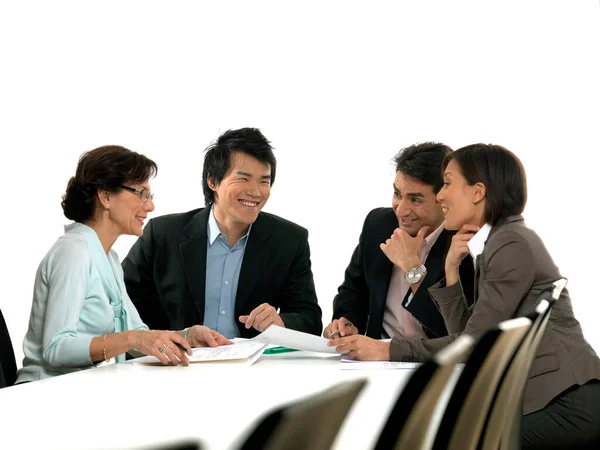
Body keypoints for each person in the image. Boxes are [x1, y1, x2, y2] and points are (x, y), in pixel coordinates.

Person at [330, 143, 600, 448]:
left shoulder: (511, 243)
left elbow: (471, 347)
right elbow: (468, 335)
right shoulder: (499, 241)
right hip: (549, 399)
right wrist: (451, 272)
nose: (442, 195)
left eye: (447, 183)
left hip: (564, 401)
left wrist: (388, 349)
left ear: (477, 192)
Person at [16, 146, 231, 383]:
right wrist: (130, 340)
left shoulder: (109, 258)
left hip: (82, 386)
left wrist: (188, 336)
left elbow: (140, 337)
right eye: (141, 193)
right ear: (106, 196)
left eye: (150, 196)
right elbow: (55, 349)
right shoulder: (73, 252)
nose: (150, 206)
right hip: (43, 392)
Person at [122, 128, 322, 338]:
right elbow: (121, 305)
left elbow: (310, 319)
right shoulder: (163, 234)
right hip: (178, 363)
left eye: (264, 181)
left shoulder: (289, 240)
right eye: (243, 179)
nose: (255, 192)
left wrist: (281, 322)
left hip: (255, 367)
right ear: (212, 181)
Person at [323, 142, 475, 357]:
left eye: (415, 199)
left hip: (431, 360)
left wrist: (412, 267)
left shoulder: (463, 246)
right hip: (376, 359)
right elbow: (354, 290)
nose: (401, 210)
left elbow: (453, 332)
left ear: (443, 198)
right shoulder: (378, 224)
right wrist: (345, 323)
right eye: (397, 194)